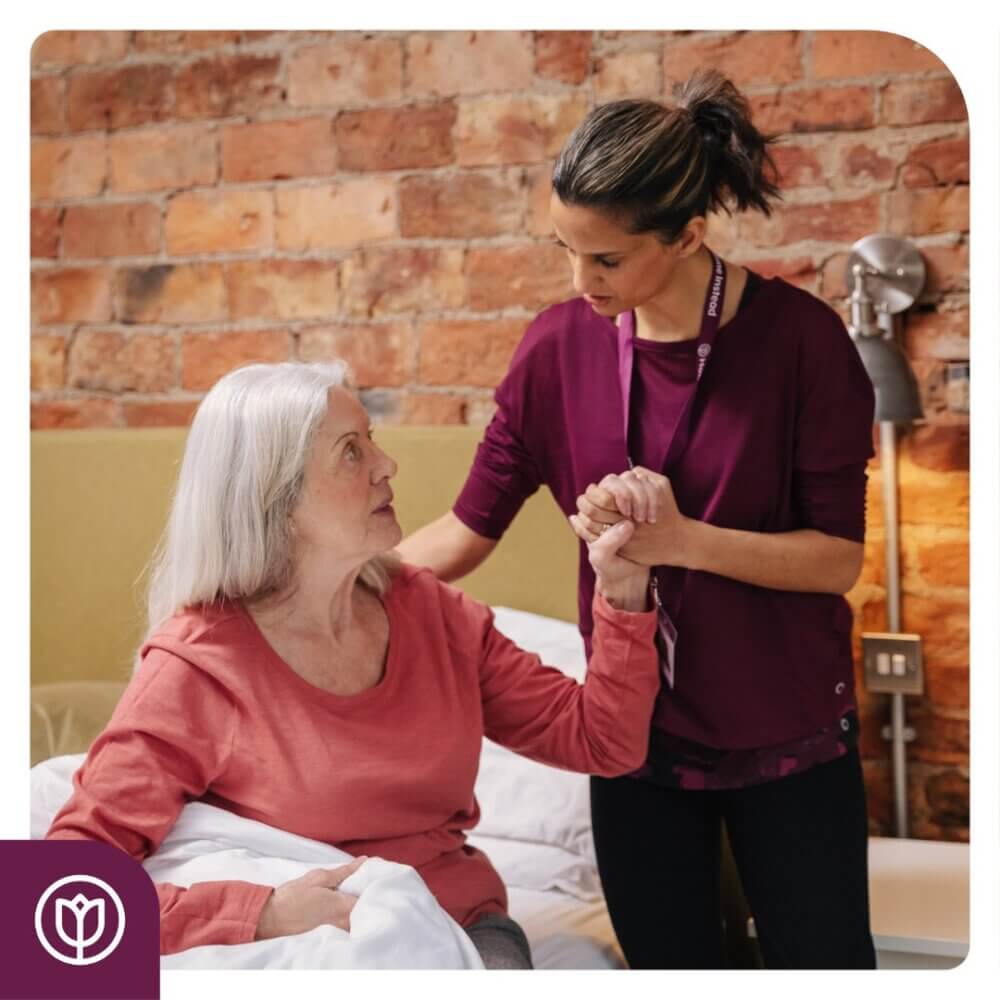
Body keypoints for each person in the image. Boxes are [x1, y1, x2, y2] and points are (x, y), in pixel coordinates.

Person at [397, 68, 878, 970]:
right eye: (565, 251)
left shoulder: (805, 343)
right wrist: (322, 588)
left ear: (689, 234)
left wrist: (682, 542)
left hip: (790, 739)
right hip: (634, 750)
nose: (581, 281)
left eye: (607, 259)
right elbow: (463, 534)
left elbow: (834, 561)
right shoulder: (554, 348)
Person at [45, 360, 664, 970]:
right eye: (351, 451)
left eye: (373, 441)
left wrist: (623, 589)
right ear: (277, 497)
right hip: (301, 948)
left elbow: (602, 742)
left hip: (459, 929)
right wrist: (262, 913)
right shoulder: (200, 663)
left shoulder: (433, 614)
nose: (386, 465)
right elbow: (55, 896)